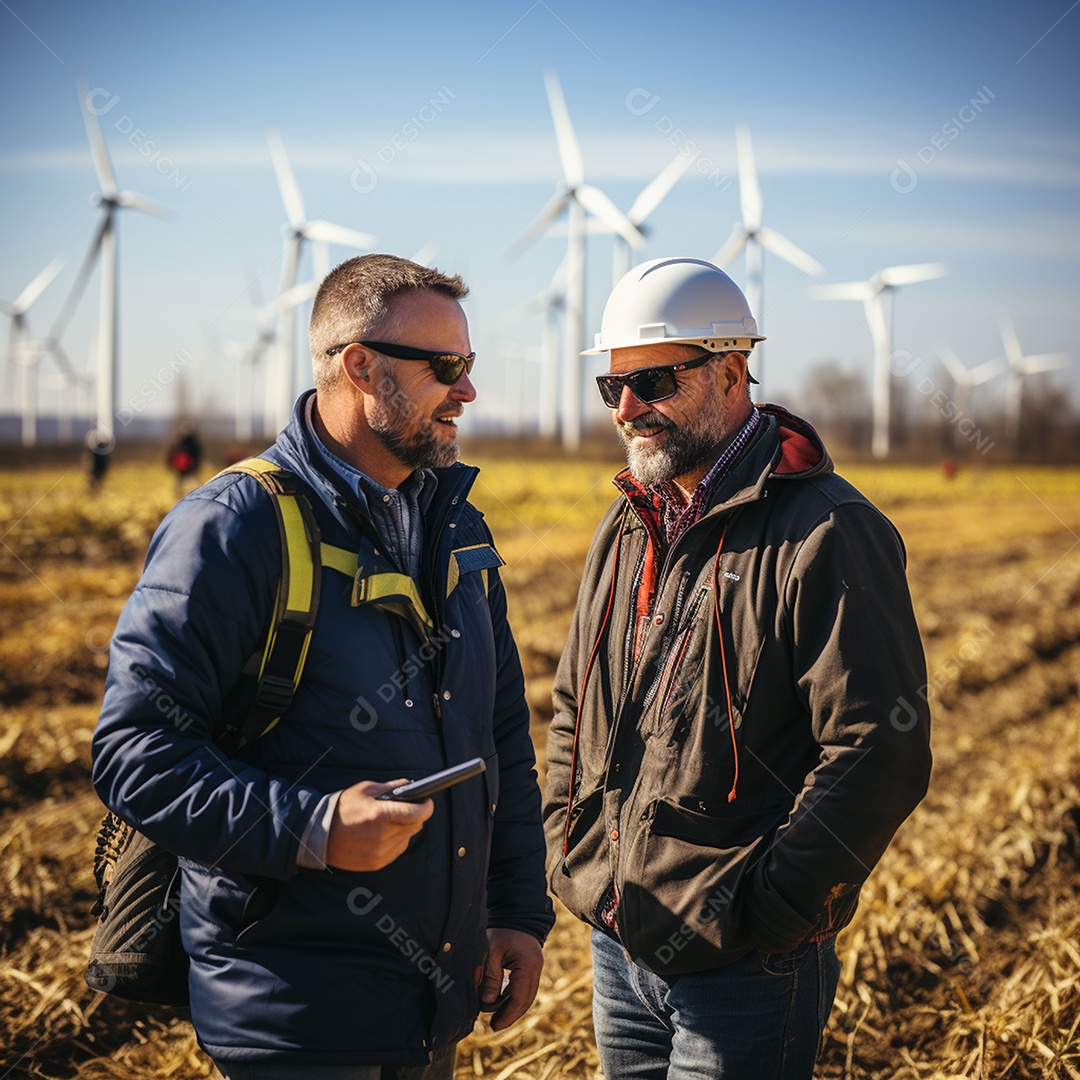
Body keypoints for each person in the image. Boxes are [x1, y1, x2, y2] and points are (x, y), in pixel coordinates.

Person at [92, 254, 553, 1078]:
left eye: (469, 366)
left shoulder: (456, 524)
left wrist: (517, 907)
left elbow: (501, 739)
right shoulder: (235, 528)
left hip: (432, 1006)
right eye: (445, 368)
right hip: (296, 1017)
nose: (469, 392)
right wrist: (311, 828)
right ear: (360, 366)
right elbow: (134, 752)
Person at [543, 258, 932, 1079]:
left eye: (651, 381)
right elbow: (576, 703)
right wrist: (566, 847)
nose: (626, 410)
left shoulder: (828, 531)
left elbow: (879, 751)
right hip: (618, 943)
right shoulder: (626, 525)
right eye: (610, 388)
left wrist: (771, 908)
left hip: (745, 965)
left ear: (730, 371)